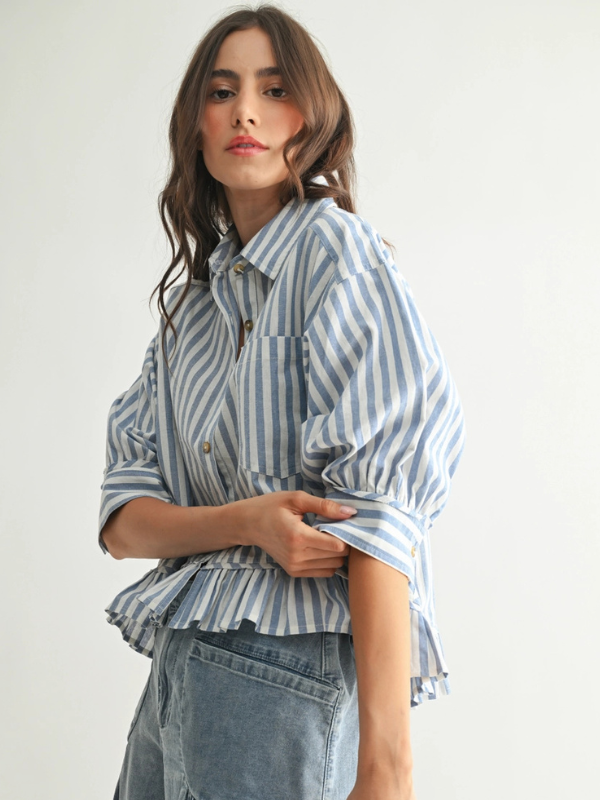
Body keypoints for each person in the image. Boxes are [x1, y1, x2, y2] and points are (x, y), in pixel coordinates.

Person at [98, 4, 466, 799]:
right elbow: (124, 518)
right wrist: (246, 521)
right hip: (179, 669)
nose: (247, 112)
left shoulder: (337, 254)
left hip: (284, 672)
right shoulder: (193, 311)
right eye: (222, 91)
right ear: (196, 123)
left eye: (274, 88)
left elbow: (380, 514)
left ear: (316, 115)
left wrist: (389, 768)